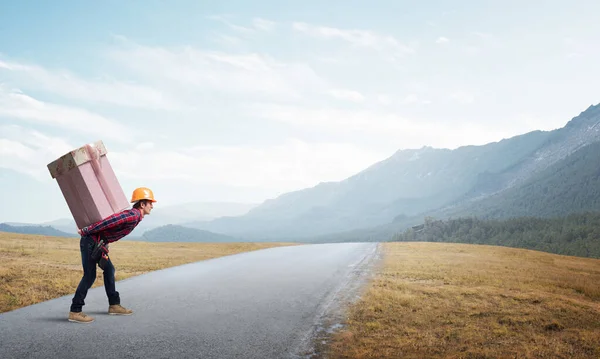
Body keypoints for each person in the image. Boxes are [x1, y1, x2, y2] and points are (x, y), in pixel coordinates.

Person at [68, 187, 156, 324]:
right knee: (89, 276)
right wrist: (86, 230)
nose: (152, 205)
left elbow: (112, 228)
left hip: (98, 243)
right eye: (150, 202)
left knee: (109, 270)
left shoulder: (136, 217)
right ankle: (75, 311)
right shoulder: (133, 215)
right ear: (142, 204)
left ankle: (114, 305)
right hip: (91, 241)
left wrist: (105, 243)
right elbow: (110, 221)